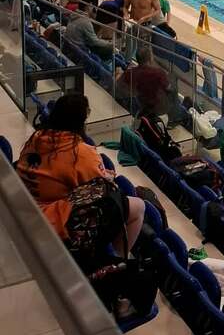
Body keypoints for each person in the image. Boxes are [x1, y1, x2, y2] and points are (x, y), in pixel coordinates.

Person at [16, 93, 145, 260]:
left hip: (21, 209)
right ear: (81, 122)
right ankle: (116, 262)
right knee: (138, 206)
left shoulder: (37, 137)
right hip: (49, 223)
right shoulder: (81, 153)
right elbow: (99, 191)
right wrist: (107, 178)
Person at [117, 45, 171, 116]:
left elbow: (119, 85)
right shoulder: (160, 73)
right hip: (154, 110)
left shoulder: (129, 72)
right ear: (150, 58)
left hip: (136, 109)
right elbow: (169, 89)